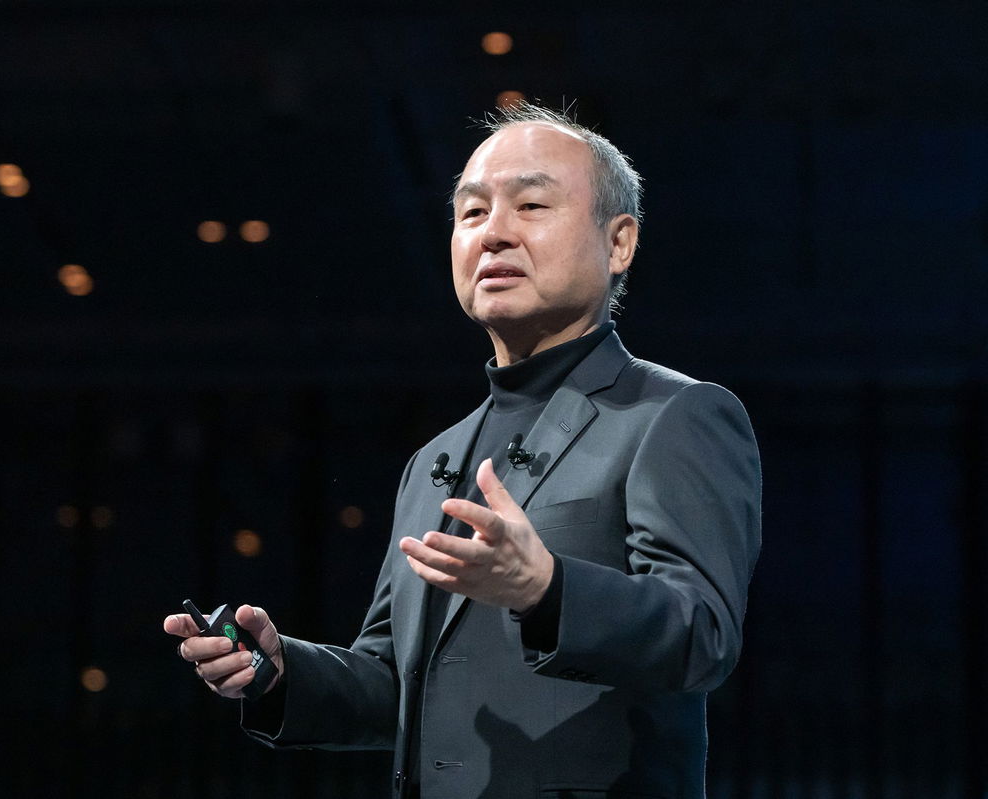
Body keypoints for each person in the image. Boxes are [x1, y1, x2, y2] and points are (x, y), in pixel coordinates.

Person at [164, 102, 762, 799]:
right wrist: (280, 672)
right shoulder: (433, 460)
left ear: (619, 242)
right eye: (472, 213)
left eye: (531, 205)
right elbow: (396, 682)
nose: (494, 233)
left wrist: (547, 588)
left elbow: (703, 630)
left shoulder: (673, 413)